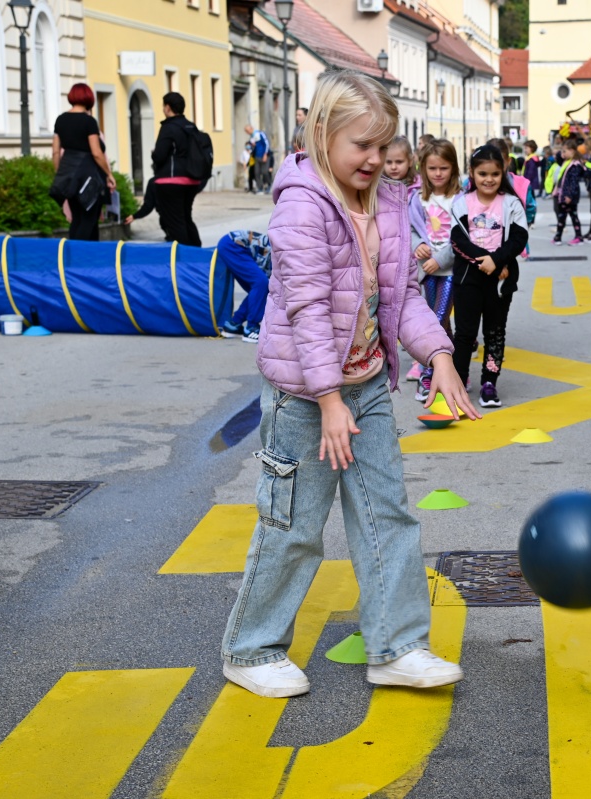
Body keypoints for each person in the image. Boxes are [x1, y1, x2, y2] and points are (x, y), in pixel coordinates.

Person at [221, 70, 477, 698]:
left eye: (383, 145)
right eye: (361, 145)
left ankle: (397, 648)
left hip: (364, 385)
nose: (375, 159)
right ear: (322, 135)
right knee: (294, 525)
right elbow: (307, 310)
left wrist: (439, 355)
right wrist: (328, 400)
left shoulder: (389, 202)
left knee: (386, 516)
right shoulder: (301, 205)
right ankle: (250, 650)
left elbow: (403, 299)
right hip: (304, 399)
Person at [449, 144, 529, 409]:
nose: (489, 179)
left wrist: (498, 260)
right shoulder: (462, 203)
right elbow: (458, 240)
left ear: (503, 172)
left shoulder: (511, 203)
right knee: (464, 335)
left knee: (495, 333)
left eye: (495, 174)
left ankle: (489, 383)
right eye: (482, 173)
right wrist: (484, 259)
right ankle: (459, 383)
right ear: (472, 173)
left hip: (500, 282)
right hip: (468, 280)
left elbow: (519, 238)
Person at [408, 139, 463, 400]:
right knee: (437, 320)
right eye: (432, 168)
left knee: (437, 318)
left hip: (449, 269)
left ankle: (429, 374)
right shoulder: (417, 198)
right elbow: (408, 229)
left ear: (453, 168)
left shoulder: (461, 199)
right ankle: (453, 370)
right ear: (423, 169)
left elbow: (463, 235)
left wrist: (441, 259)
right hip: (426, 270)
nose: (438, 173)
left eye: (444, 168)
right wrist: (417, 244)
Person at [50, 83, 117, 242]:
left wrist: (60, 173)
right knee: (89, 219)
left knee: (77, 218)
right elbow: (96, 152)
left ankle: (78, 258)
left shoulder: (61, 120)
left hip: (69, 176)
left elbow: (55, 151)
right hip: (89, 177)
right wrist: (109, 174)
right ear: (89, 98)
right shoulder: (89, 122)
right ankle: (81, 258)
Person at [151, 92, 202, 247]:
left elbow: (159, 155)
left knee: (175, 221)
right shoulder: (191, 126)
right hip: (192, 179)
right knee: (186, 217)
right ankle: (197, 252)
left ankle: (184, 258)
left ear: (168, 107)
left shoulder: (168, 127)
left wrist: (154, 154)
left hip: (171, 180)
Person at [216, 230, 271, 342]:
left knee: (260, 288)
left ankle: (234, 325)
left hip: (233, 245)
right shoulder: (283, 258)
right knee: (261, 284)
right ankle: (251, 328)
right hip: (233, 245)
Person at [552, 141, 584, 245]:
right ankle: (558, 237)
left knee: (572, 216)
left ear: (572, 151)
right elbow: (558, 159)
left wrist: (569, 195)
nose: (563, 154)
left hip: (569, 196)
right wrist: (562, 153)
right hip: (563, 194)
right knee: (562, 216)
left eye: (564, 151)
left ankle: (578, 236)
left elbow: (573, 182)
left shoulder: (575, 165)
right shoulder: (567, 162)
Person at [249, 124, 271, 193]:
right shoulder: (251, 138)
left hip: (264, 156)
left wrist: (265, 154)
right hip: (257, 157)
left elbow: (266, 143)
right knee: (257, 173)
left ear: (251, 128)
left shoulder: (260, 133)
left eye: (247, 130)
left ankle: (269, 184)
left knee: (264, 172)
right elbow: (254, 148)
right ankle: (260, 188)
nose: (247, 132)